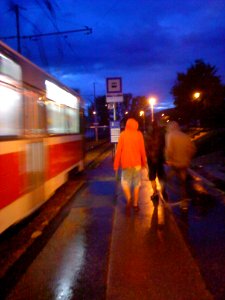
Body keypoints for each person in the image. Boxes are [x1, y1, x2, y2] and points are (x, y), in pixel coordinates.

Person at [114, 118, 147, 211]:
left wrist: (116, 165)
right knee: (137, 184)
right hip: (137, 164)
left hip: (126, 164)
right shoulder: (139, 134)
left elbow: (119, 151)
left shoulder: (123, 135)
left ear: (127, 125)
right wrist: (144, 163)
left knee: (125, 183)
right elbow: (142, 150)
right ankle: (135, 204)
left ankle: (129, 198)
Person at [165, 121, 196, 209]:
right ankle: (184, 202)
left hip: (175, 163)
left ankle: (170, 198)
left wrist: (168, 160)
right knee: (182, 183)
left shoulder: (170, 135)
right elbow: (192, 149)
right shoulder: (185, 136)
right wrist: (187, 158)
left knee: (169, 179)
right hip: (184, 163)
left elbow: (169, 150)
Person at [145, 120, 167, 202]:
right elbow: (164, 145)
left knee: (152, 176)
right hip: (160, 157)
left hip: (151, 159)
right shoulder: (161, 134)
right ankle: (163, 190)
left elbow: (146, 148)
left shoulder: (147, 135)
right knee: (161, 175)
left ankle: (155, 192)